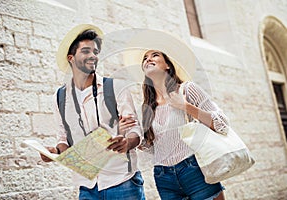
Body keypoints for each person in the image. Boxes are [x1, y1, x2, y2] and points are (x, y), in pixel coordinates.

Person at [40, 24, 145, 200]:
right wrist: (54, 153)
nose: (93, 56)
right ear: (71, 58)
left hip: (122, 182)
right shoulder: (59, 97)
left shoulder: (116, 87)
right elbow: (63, 139)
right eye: (86, 51)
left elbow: (135, 130)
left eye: (95, 52)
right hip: (86, 186)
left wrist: (127, 143)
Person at [120, 30, 229, 200]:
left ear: (167, 65)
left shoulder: (187, 89)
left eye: (155, 55)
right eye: (145, 58)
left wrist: (185, 106)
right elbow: (155, 148)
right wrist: (136, 138)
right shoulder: (147, 106)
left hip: (194, 169)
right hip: (164, 177)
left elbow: (222, 124)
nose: (148, 59)